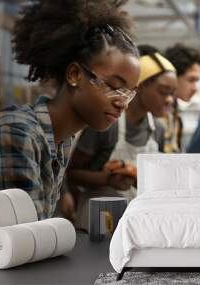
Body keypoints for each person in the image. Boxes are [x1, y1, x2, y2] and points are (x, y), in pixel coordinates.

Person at [0, 0, 140, 220]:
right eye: (114, 87)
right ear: (74, 75)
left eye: (130, 93)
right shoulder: (17, 132)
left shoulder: (62, 140)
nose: (123, 103)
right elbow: (23, 238)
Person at [67, 45, 177, 229]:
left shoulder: (156, 128)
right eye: (163, 91)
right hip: (100, 222)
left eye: (172, 94)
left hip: (138, 222)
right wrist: (107, 179)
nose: (169, 100)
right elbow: (72, 174)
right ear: (139, 87)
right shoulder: (106, 123)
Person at [161, 44, 200, 153]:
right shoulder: (156, 112)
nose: (195, 88)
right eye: (191, 80)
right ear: (172, 76)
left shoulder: (175, 112)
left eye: (197, 81)